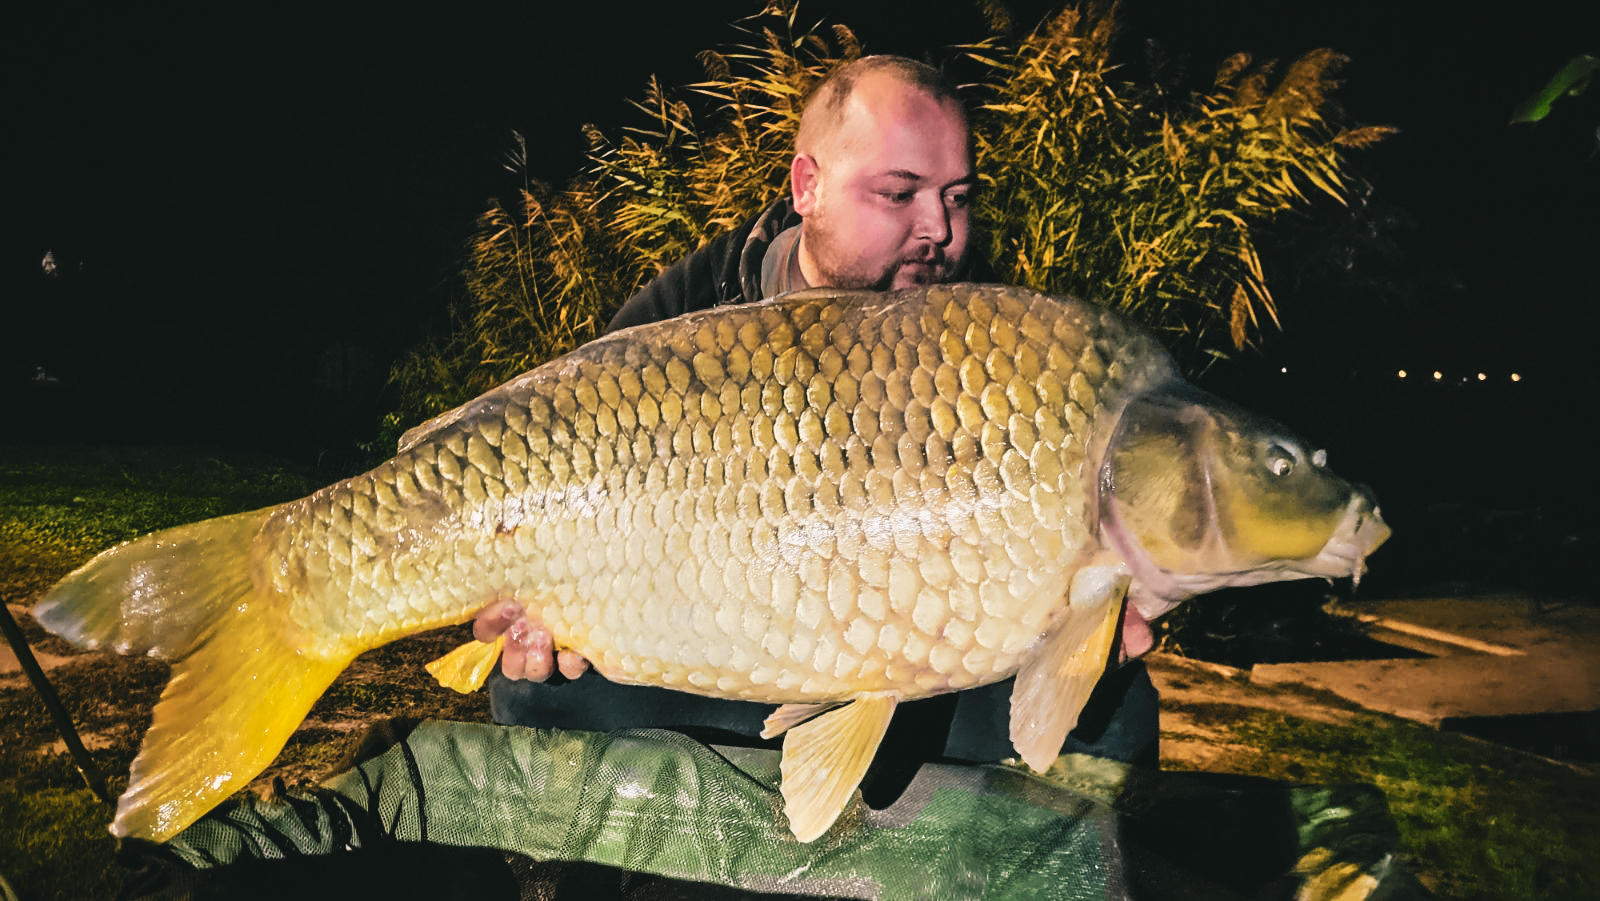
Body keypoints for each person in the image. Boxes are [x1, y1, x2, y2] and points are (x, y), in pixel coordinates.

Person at [472, 56, 1160, 797]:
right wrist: (527, 610)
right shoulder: (688, 308)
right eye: (898, 193)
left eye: (958, 197)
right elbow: (549, 482)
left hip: (921, 668)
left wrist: (1098, 609)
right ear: (808, 186)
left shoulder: (994, 337)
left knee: (1111, 715)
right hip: (720, 650)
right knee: (539, 692)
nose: (938, 228)